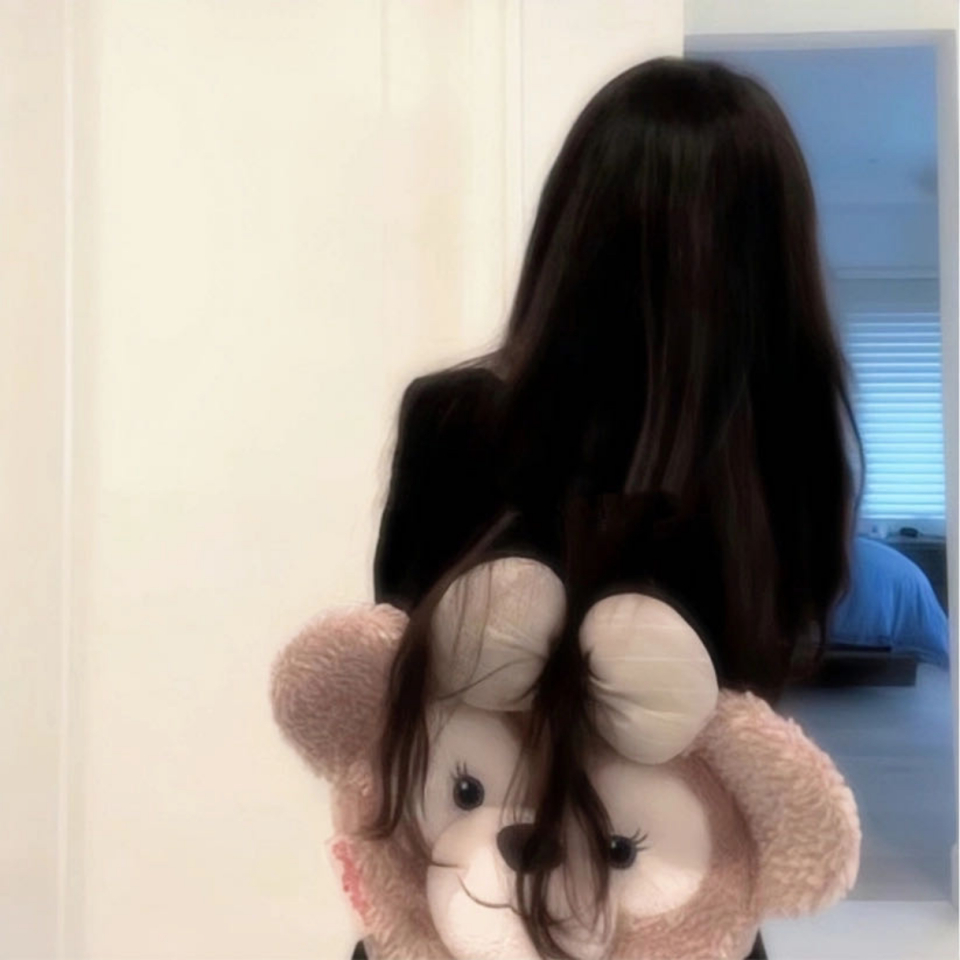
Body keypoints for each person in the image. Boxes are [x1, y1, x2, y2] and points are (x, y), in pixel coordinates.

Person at [358, 56, 863, 960]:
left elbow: (404, 681)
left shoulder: (452, 423)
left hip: (469, 912)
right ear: (770, 257)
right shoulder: (787, 464)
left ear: (574, 227)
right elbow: (762, 691)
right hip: (675, 912)